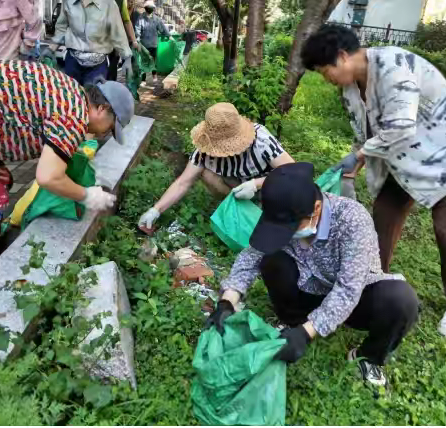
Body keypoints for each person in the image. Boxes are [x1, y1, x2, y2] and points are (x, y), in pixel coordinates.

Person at [207, 162, 419, 386]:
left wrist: (307, 333)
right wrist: (227, 302)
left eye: (290, 228)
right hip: (308, 288)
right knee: (272, 258)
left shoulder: (352, 219)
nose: (286, 233)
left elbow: (348, 289)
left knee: (401, 301)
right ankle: (293, 321)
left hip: (356, 299)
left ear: (316, 210)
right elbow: (251, 257)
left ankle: (368, 356)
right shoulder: (282, 210)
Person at [301, 24, 446, 336]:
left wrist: (360, 154)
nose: (326, 79)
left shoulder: (394, 66)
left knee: (445, 228)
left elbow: (400, 128)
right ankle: (374, 283)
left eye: (324, 71)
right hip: (402, 159)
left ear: (342, 57)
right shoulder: (351, 88)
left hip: (440, 153)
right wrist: (354, 165)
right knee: (382, 219)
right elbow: (370, 133)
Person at [0, 60, 135, 286]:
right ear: (103, 109)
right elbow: (48, 177)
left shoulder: (71, 93)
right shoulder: (74, 115)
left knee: (1, 179)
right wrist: (88, 195)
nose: (105, 134)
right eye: (110, 127)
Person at [138, 103, 294, 230]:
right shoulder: (204, 151)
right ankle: (241, 211)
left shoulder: (261, 141)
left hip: (270, 187)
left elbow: (294, 172)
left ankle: (267, 214)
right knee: (207, 174)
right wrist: (155, 210)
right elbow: (182, 183)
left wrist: (256, 184)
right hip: (237, 187)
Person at [44, 0, 132, 86]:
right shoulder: (68, 2)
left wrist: (127, 58)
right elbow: (61, 28)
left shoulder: (109, 4)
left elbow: (117, 33)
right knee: (72, 96)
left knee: (92, 97)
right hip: (73, 61)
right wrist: (51, 49)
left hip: (97, 66)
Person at [135, 0, 171, 83]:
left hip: (153, 44)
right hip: (144, 45)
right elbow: (137, 30)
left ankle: (154, 76)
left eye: (151, 8)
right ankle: (143, 79)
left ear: (153, 9)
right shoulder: (141, 18)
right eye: (148, 7)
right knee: (144, 62)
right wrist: (136, 41)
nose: (150, 9)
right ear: (145, 8)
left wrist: (169, 36)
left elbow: (163, 29)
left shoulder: (157, 19)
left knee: (153, 61)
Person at [107, 0, 140, 82]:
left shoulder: (121, 2)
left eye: (132, 2)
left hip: (115, 43)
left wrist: (134, 41)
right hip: (97, 44)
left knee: (112, 68)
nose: (131, 3)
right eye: (130, 1)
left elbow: (126, 21)